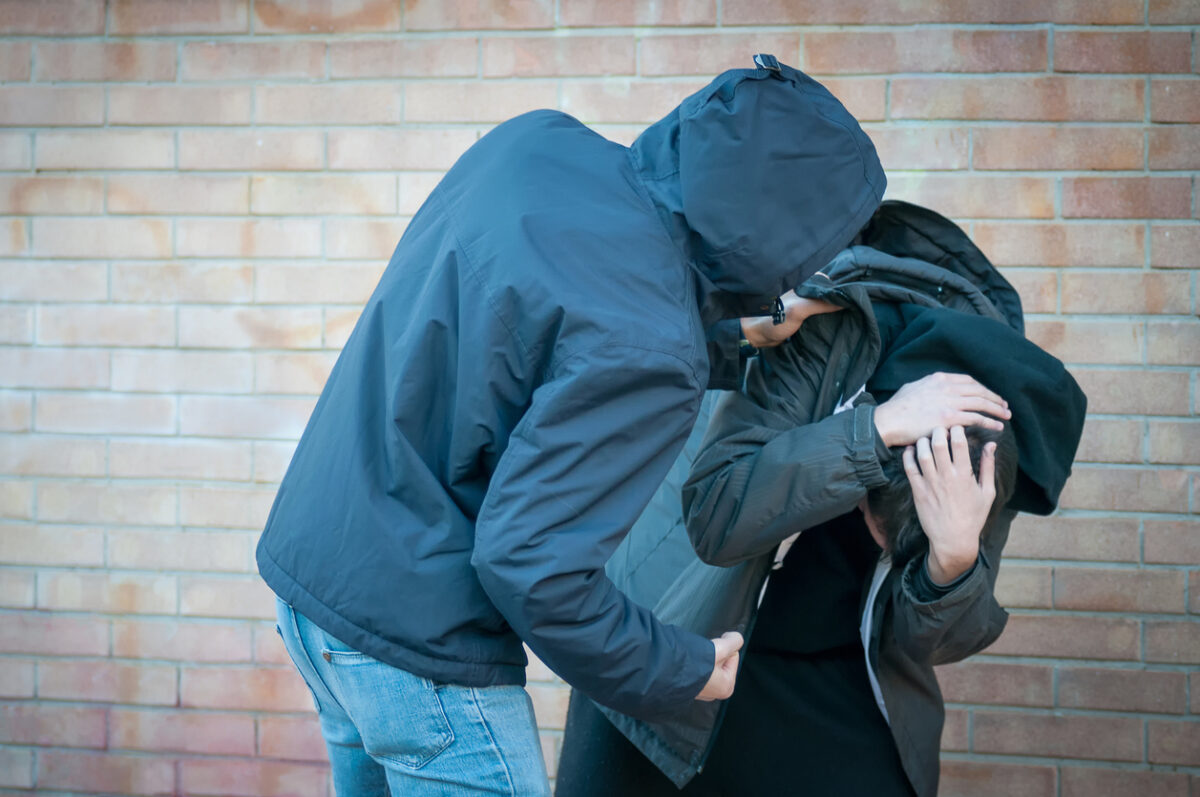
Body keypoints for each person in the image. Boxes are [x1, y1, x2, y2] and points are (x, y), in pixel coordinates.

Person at [256, 55, 890, 796]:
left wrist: (737, 336)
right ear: (793, 229)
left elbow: (551, 334)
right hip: (417, 651)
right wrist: (685, 668)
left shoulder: (534, 142)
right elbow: (530, 566)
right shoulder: (653, 346)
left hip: (314, 590)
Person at [555, 201, 1087, 797]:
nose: (873, 538)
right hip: (684, 620)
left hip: (842, 676)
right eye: (870, 517)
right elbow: (719, 516)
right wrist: (872, 433)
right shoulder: (819, 329)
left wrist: (953, 563)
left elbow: (935, 641)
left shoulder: (988, 431)